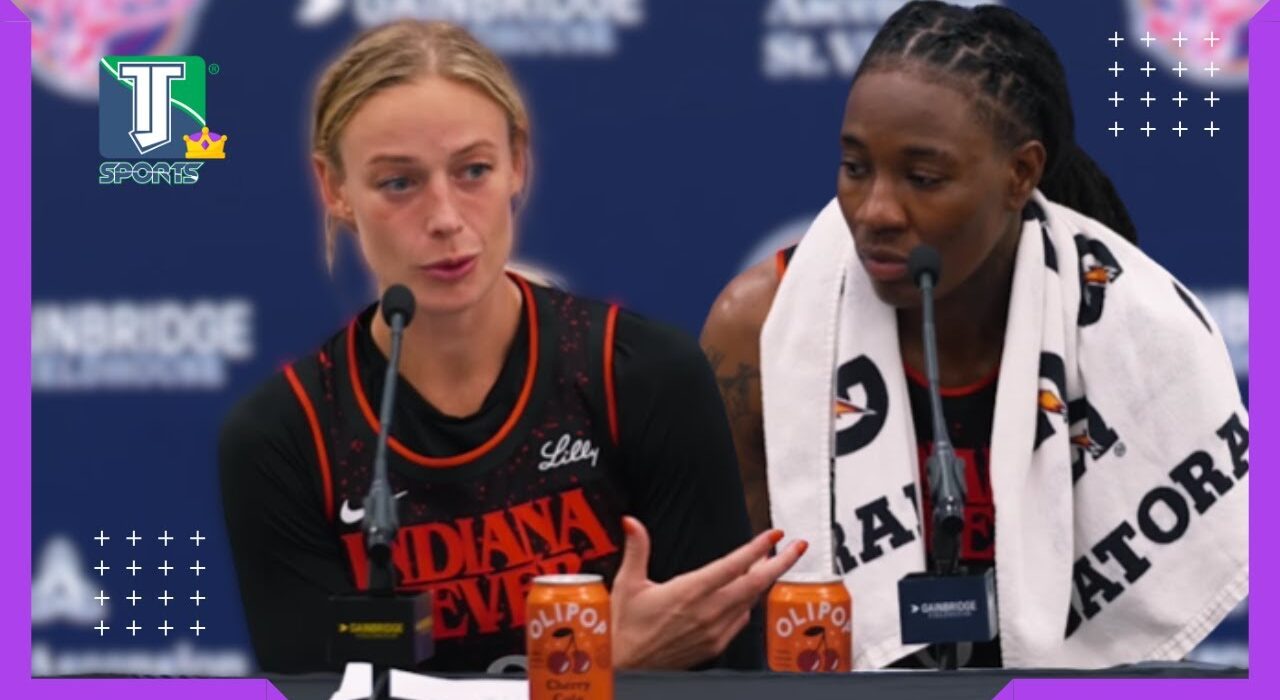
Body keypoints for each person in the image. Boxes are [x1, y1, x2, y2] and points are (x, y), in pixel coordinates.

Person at [219, 20, 805, 674]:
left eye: (474, 170)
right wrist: (601, 666)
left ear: (517, 163)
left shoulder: (642, 376)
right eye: (398, 183)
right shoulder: (287, 437)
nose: (445, 218)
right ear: (335, 189)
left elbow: (727, 677)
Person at [702, 0, 1247, 670]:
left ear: (1020, 175)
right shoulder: (761, 327)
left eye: (923, 179)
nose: (876, 212)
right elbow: (725, 614)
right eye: (855, 168)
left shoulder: (1137, 327)